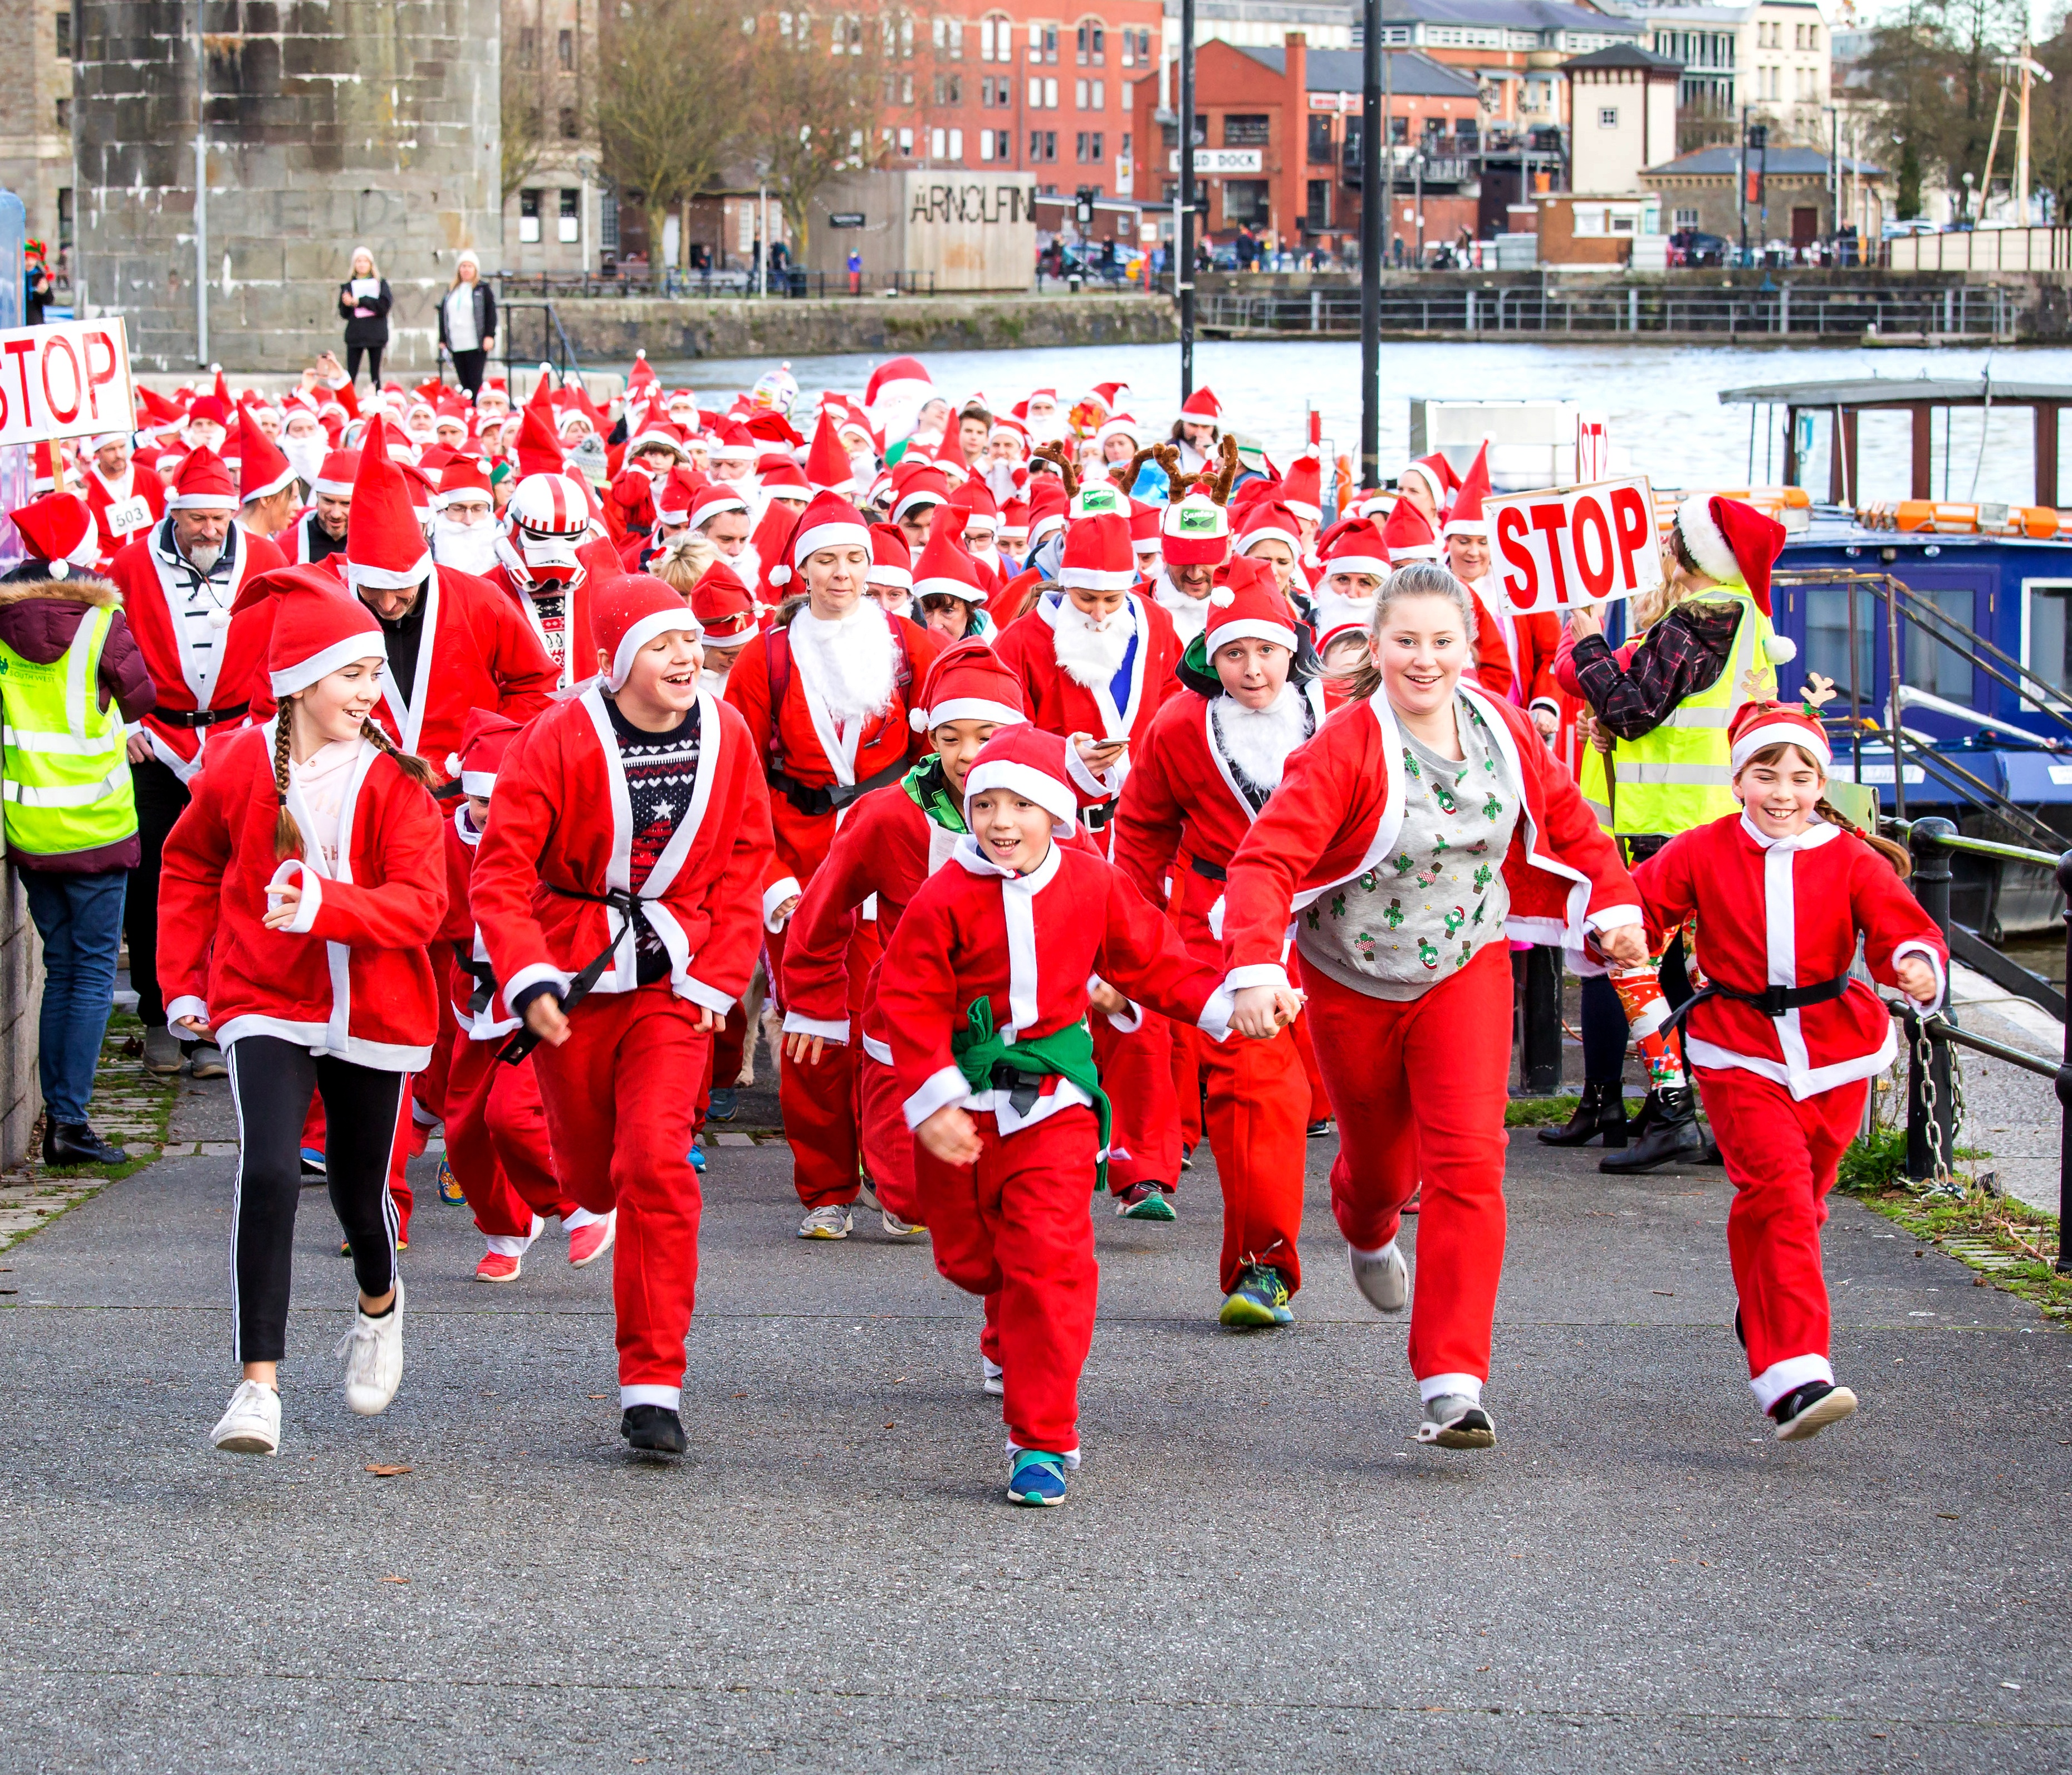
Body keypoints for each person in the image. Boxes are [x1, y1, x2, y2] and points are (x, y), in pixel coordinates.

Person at [1223, 562, 1642, 1450]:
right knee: (1379, 1167)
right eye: (1405, 641)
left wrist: (1614, 902)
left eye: (1441, 641)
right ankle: (1365, 1223)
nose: (1424, 659)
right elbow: (1265, 863)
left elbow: (1569, 823)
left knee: (1470, 1166)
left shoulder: (1500, 726)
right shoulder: (1343, 744)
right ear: (1374, 647)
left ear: (1469, 647)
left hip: (1466, 965)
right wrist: (1256, 965)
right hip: (1352, 978)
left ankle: (1453, 1379)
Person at [877, 723, 1246, 1506]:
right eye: (984, 803)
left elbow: (1154, 959)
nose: (1001, 820)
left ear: (1057, 812)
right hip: (961, 1103)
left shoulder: (1092, 882)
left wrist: (1224, 1004)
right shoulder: (941, 894)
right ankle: (1004, 1320)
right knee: (972, 1260)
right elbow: (903, 997)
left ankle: (1039, 1438)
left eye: (1021, 803)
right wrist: (935, 1091)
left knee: (1049, 1262)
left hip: (1054, 1101)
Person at [469, 575, 777, 1457]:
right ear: (616, 661)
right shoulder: (558, 735)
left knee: (654, 1161)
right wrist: (528, 975)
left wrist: (715, 978)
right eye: (661, 644)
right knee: (590, 1166)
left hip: (675, 980)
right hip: (573, 973)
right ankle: (582, 1198)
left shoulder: (728, 732)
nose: (685, 656)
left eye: (690, 640)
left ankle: (653, 1382)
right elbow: (501, 867)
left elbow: (748, 856)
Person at [160, 566, 448, 1458]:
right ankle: (258, 1387)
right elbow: (188, 864)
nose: (369, 690)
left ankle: (379, 1302)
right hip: (264, 997)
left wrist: (327, 905)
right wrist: (185, 980)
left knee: (363, 1193)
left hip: (378, 1011)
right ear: (299, 680)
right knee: (274, 1171)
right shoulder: (240, 763)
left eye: (374, 672)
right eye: (350, 673)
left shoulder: (399, 780)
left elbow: (422, 906)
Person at [1630, 700, 1945, 1441]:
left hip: (1837, 1050)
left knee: (1802, 1199)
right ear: (1738, 778)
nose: (1782, 792)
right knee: (1776, 1191)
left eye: (1800, 777)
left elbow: (1901, 924)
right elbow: (1640, 908)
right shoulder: (1700, 849)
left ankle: (1764, 1295)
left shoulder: (1849, 856)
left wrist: (1913, 964)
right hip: (1738, 1047)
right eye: (1765, 774)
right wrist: (1617, 930)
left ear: (1818, 785)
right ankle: (1795, 1373)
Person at [723, 489, 942, 1239]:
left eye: (854, 558)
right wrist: (770, 877)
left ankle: (898, 1182)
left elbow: (945, 761)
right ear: (800, 569)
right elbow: (739, 778)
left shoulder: (914, 648)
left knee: (898, 1026)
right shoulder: (766, 657)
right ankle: (825, 1187)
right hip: (802, 867)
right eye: (825, 560)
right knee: (814, 1029)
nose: (842, 574)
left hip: (893, 871)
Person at [1113, 561, 1324, 1327]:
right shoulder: (1177, 725)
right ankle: (1262, 1267)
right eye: (1233, 653)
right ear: (1212, 657)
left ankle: (1378, 1204)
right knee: (1251, 1091)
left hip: (1330, 921)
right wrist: (1130, 937)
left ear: (1290, 649)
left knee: (1359, 1091)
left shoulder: (1340, 716)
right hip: (1220, 921)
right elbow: (1138, 836)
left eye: (1265, 650)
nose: (1252, 668)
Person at [1561, 493, 1797, 1173]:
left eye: (1670, 536)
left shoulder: (1701, 615)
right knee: (1700, 974)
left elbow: (1634, 709)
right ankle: (1713, 1114)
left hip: (1673, 827)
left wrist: (1585, 640)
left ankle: (1673, 1109)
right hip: (1714, 820)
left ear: (1687, 551)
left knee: (1632, 964)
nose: (1661, 544)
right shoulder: (1743, 617)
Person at [106, 447, 288, 1080]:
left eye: (218, 518)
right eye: (197, 520)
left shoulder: (266, 559)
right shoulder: (130, 564)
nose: (210, 531)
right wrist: (124, 722)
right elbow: (106, 646)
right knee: (155, 878)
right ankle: (160, 1016)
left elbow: (283, 644)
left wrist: (267, 726)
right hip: (158, 742)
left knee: (233, 880)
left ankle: (215, 1019)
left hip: (241, 739)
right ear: (174, 516)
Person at [0, 493, 157, 1167]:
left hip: (30, 828)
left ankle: (63, 1117)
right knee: (90, 975)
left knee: (64, 968)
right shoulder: (101, 621)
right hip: (96, 826)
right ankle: (68, 1120)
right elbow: (142, 696)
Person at [435, 709, 613, 1281]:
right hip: (472, 1000)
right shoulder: (438, 840)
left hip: (536, 997)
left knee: (512, 1116)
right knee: (463, 1134)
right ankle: (508, 1229)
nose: (490, 817)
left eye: (500, 802)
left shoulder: (545, 837)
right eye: (481, 803)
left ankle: (578, 1205)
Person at [341, 418, 559, 767]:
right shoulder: (333, 606)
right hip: (364, 795)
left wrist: (494, 744)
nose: (386, 605)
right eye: (371, 590)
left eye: (400, 591)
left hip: (463, 794)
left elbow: (538, 683)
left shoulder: (480, 599)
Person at [438, 251, 498, 398]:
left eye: (469, 266)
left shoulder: (482, 289)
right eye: (463, 266)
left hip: (474, 342)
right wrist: (443, 339)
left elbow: (490, 313)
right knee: (464, 381)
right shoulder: (452, 290)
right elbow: (444, 315)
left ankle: (476, 409)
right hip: (457, 342)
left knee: (475, 380)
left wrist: (490, 335)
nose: (466, 270)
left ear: (475, 269)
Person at [337, 248, 392, 390]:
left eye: (365, 261)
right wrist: (346, 303)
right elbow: (344, 313)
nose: (362, 265)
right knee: (351, 374)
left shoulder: (380, 284)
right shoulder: (349, 285)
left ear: (371, 264)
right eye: (359, 261)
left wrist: (359, 301)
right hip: (356, 334)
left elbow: (384, 306)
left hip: (376, 334)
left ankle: (377, 399)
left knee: (375, 375)